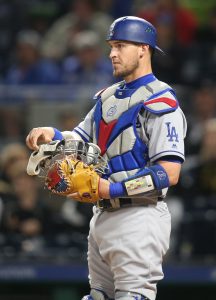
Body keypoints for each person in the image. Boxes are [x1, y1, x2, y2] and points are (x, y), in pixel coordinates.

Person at [26, 16, 187, 300]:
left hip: (139, 216)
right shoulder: (108, 97)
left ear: (143, 49)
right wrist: (52, 134)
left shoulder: (162, 102)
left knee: (132, 296)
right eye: (112, 45)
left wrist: (109, 188)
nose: (112, 53)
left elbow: (169, 173)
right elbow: (81, 138)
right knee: (98, 296)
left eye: (120, 45)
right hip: (101, 215)